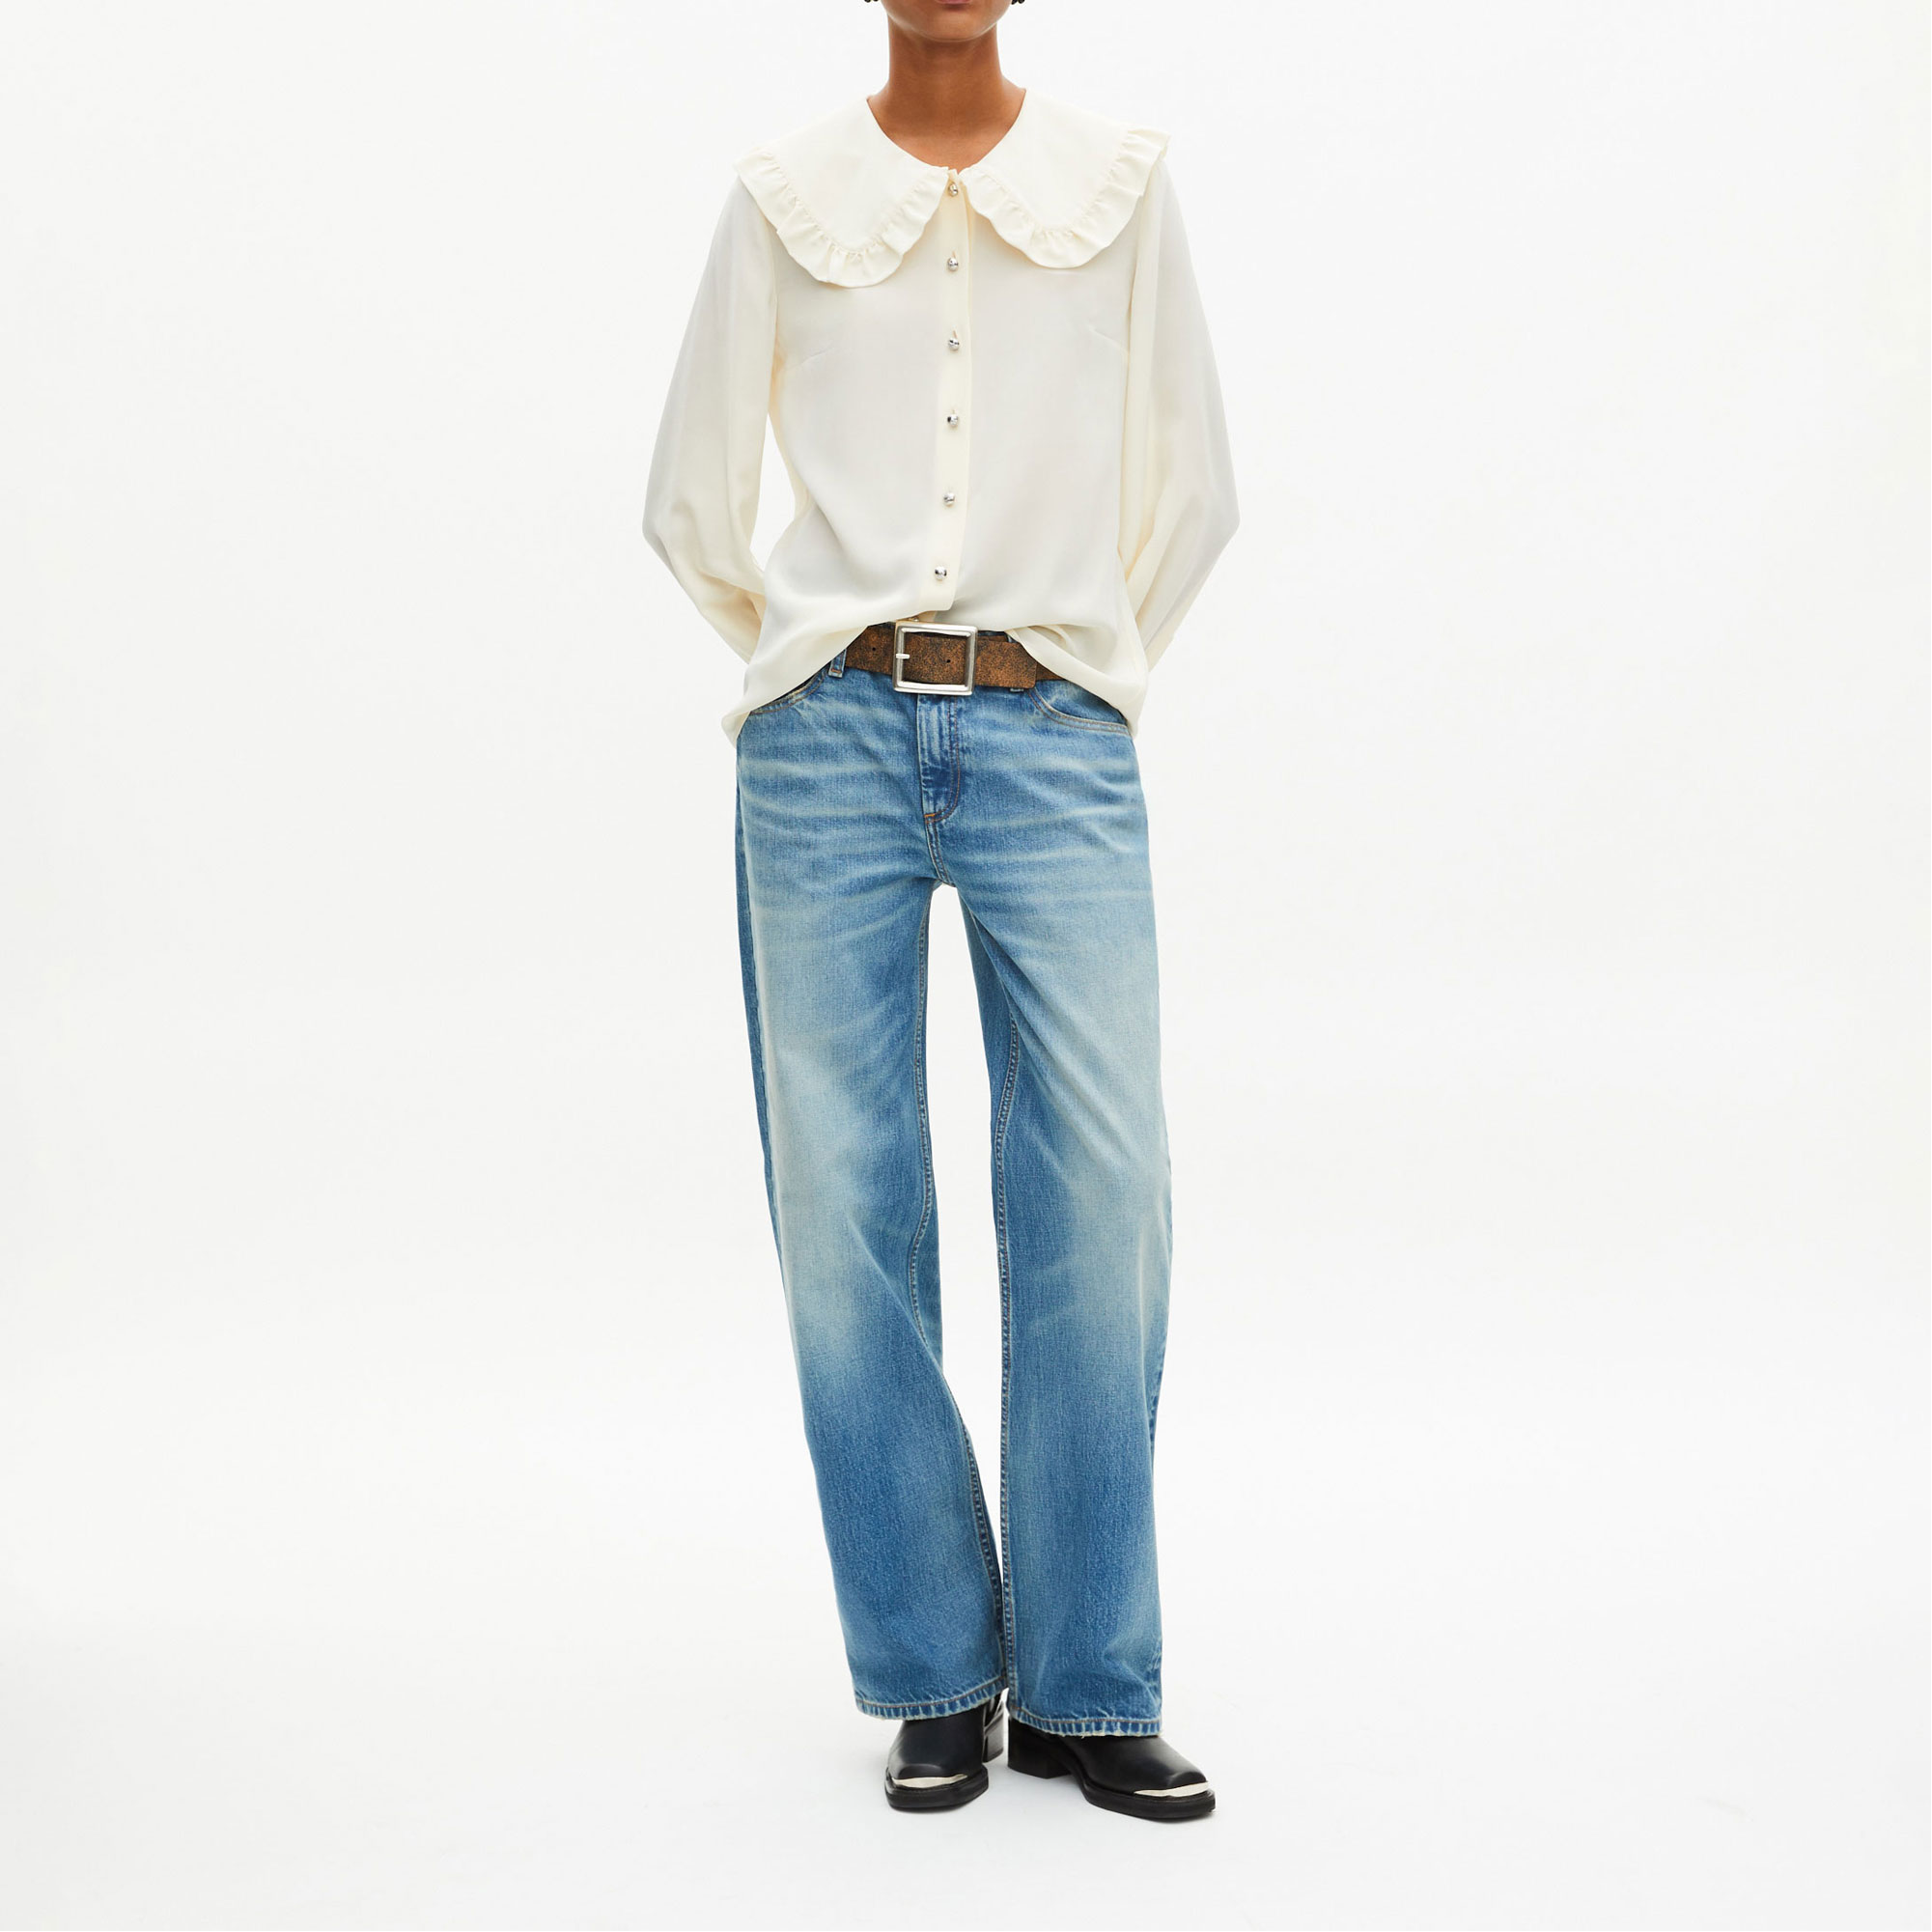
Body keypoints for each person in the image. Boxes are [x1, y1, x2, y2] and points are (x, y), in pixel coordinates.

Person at [643, 0, 1237, 1821]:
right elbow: (686, 502)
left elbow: (1194, 489)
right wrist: (806, 662)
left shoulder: (1118, 187)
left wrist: (1080, 670)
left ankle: (1085, 1682)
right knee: (844, 1203)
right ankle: (931, 1671)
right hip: (821, 744)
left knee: (1102, 1193)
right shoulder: (783, 194)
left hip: (1054, 729)